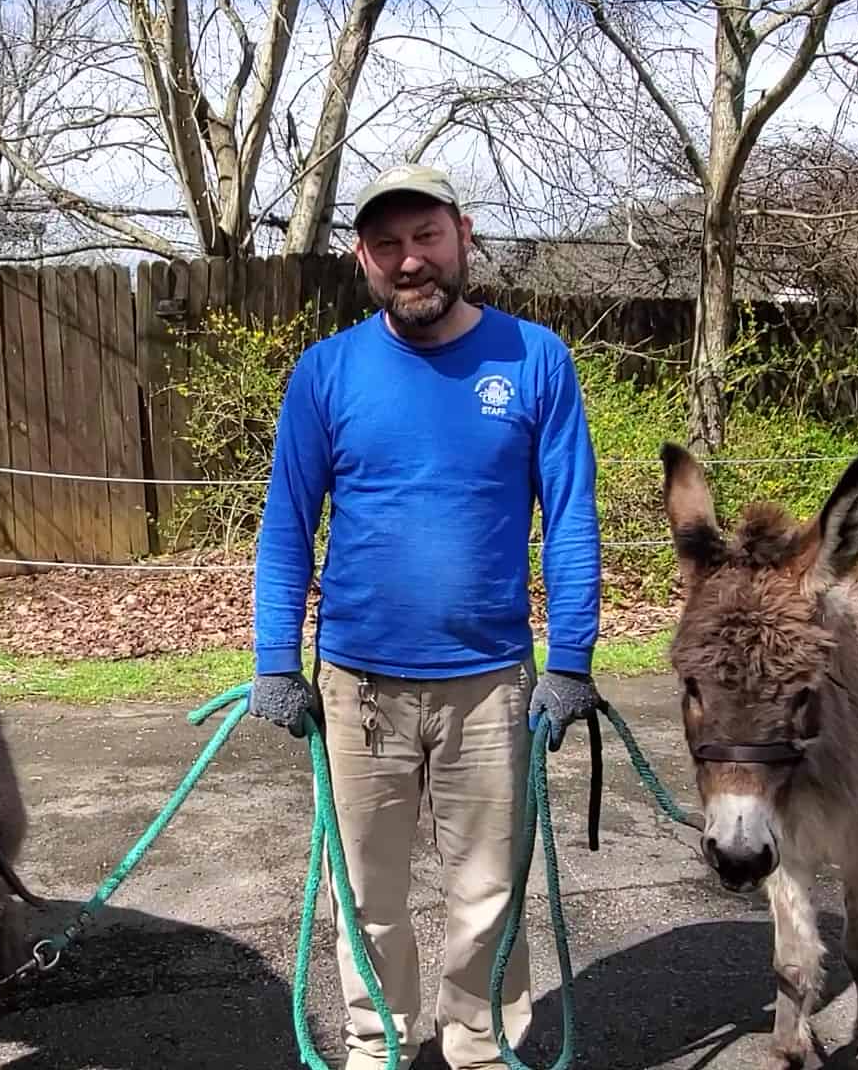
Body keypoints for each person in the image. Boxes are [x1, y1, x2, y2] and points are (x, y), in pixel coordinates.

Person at [247, 163, 604, 1070]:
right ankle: (380, 1045)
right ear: (364, 258)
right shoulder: (327, 372)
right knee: (365, 894)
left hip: (491, 684)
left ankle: (481, 1047)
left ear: (464, 234)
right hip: (357, 684)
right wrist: (274, 660)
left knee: (487, 891)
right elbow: (287, 523)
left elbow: (569, 518)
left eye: (427, 237)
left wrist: (571, 660)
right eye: (388, 244)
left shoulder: (536, 360)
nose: (411, 261)